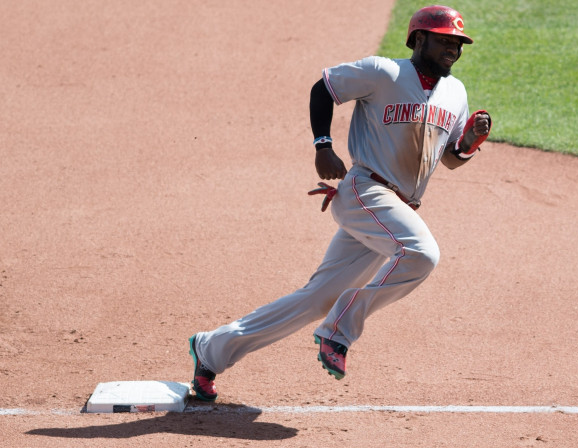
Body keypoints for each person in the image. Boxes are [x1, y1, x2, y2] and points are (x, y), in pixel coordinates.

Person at [188, 5, 492, 401]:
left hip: (393, 209)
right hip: (368, 192)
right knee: (422, 253)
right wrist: (322, 146)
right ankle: (338, 332)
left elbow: (449, 158)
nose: (454, 49)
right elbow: (324, 88)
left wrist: (467, 143)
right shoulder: (384, 72)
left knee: (316, 299)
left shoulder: (456, 92)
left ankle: (211, 349)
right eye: (445, 40)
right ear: (419, 39)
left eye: (458, 43)